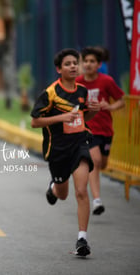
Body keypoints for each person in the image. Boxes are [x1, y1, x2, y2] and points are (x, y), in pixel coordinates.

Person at [31, 48, 100, 257]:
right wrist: (60, 119)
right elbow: (35, 121)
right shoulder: (51, 93)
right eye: (68, 64)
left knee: (81, 191)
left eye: (74, 63)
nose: (73, 67)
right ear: (59, 69)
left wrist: (94, 111)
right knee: (63, 194)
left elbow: (83, 119)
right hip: (58, 149)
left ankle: (82, 239)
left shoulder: (82, 91)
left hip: (79, 144)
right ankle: (53, 188)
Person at [76, 46, 125, 215]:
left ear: (98, 64)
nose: (88, 64)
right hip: (87, 129)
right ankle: (97, 200)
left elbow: (121, 101)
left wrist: (109, 106)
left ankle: (96, 195)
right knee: (95, 160)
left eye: (92, 61)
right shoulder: (77, 83)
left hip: (106, 130)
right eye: (86, 61)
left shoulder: (107, 81)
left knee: (102, 163)